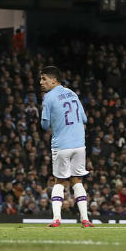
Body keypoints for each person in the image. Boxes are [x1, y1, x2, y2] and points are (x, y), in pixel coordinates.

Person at [40, 66, 92, 228]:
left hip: (62, 145)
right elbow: (84, 118)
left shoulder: (48, 97)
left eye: (44, 79)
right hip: (79, 144)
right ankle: (85, 219)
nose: (41, 82)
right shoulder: (72, 93)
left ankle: (56, 219)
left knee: (59, 181)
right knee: (77, 181)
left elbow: (44, 124)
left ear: (53, 80)